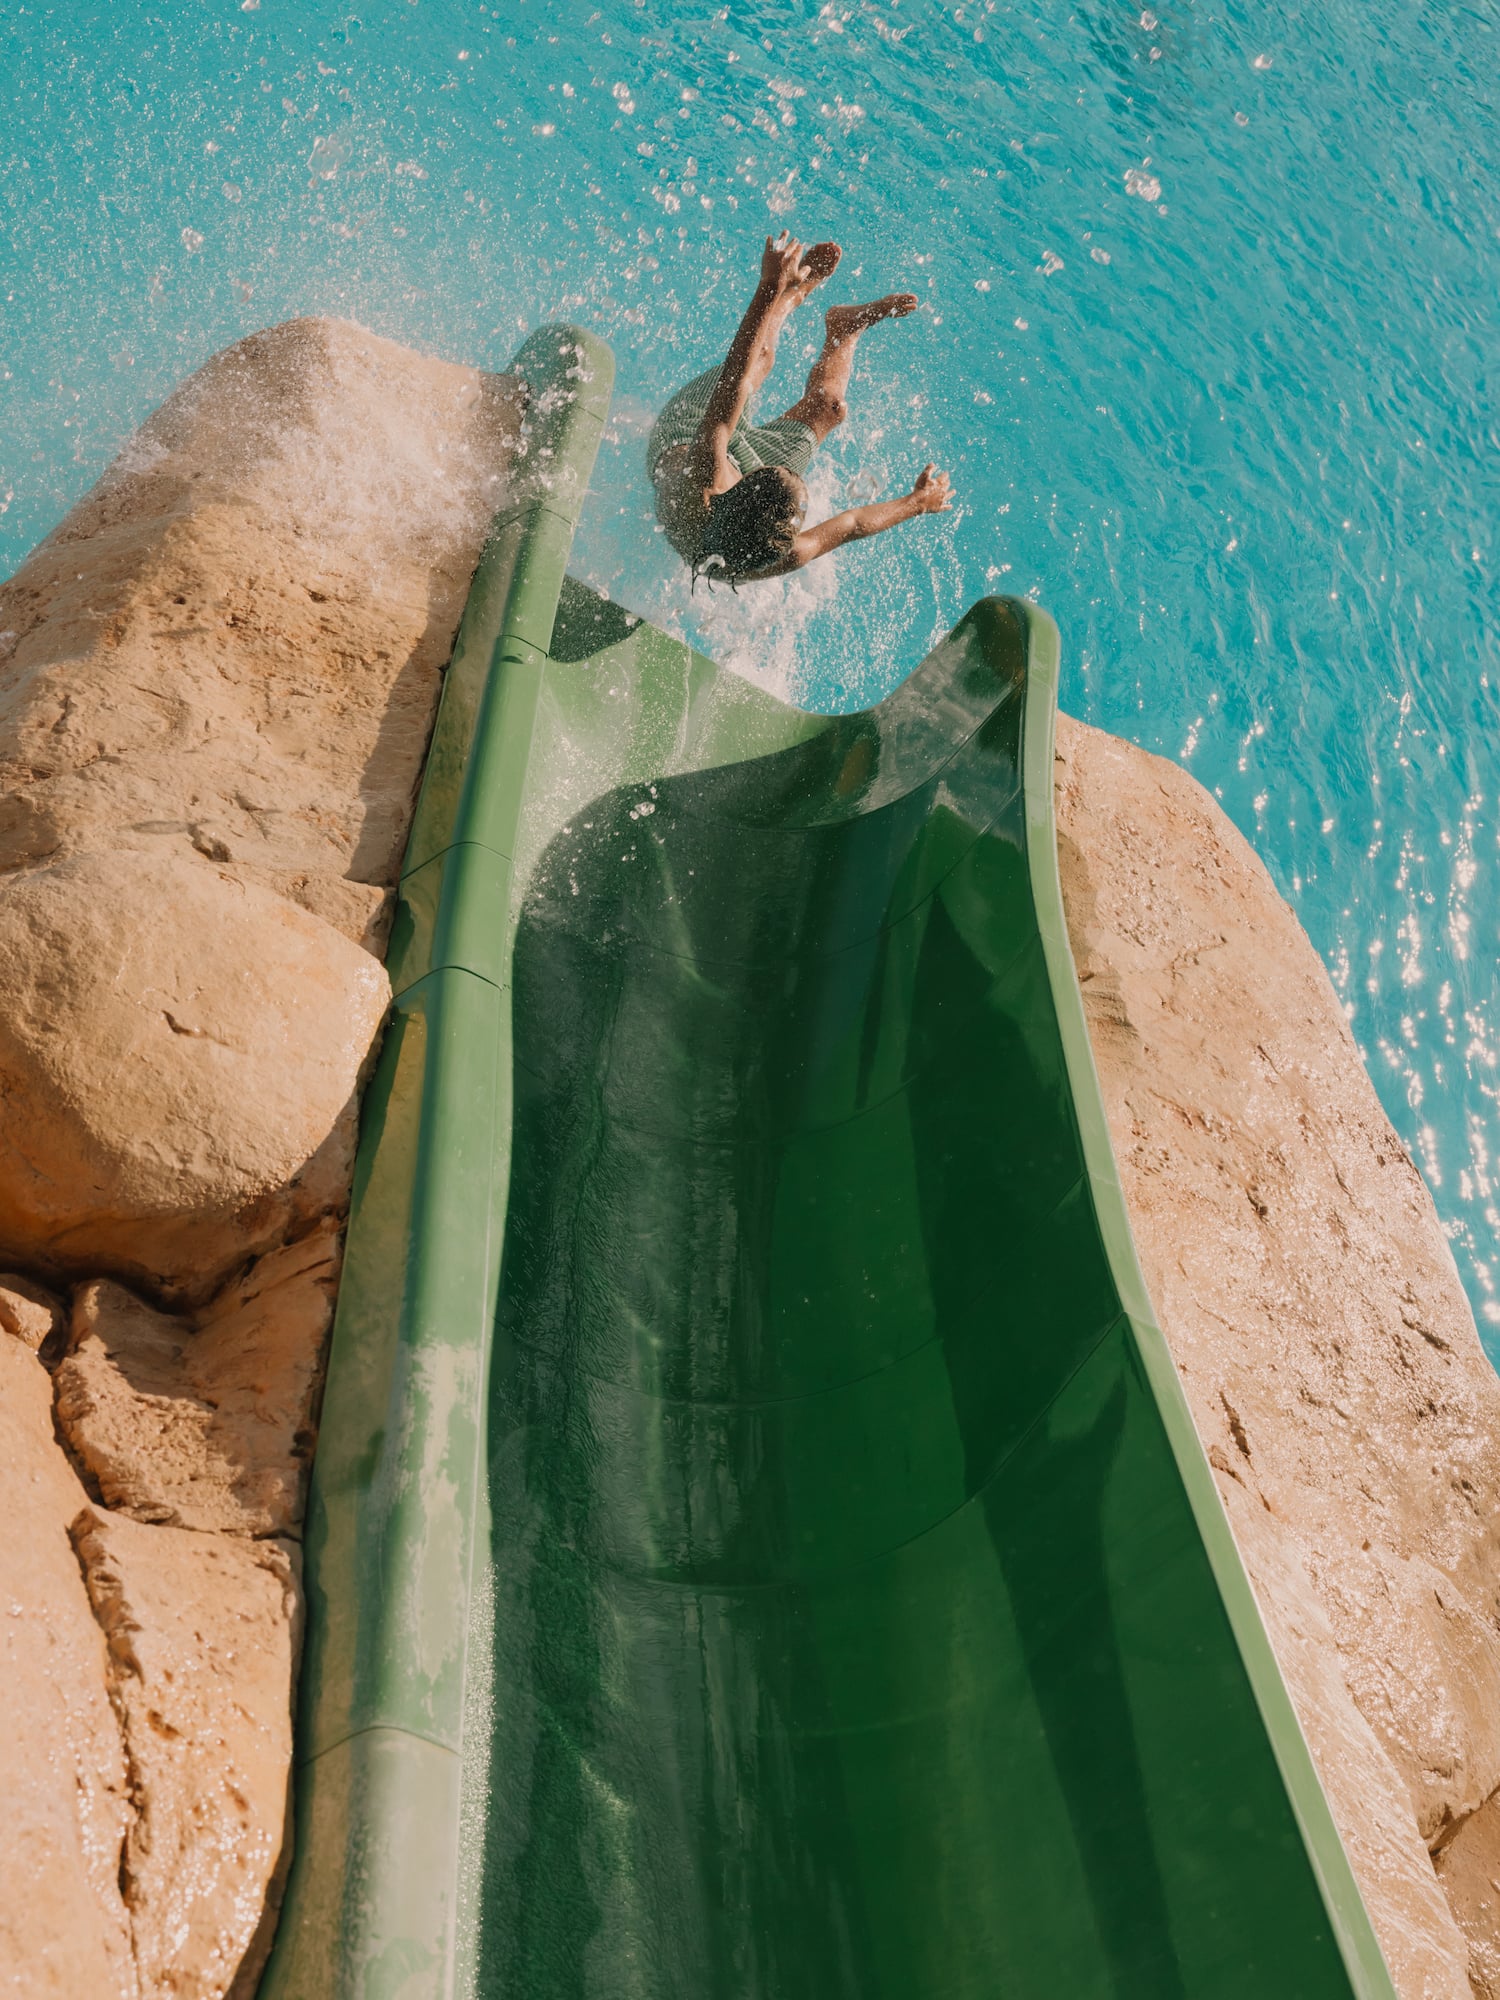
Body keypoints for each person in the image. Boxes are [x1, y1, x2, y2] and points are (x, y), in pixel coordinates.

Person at [648, 233, 955, 589]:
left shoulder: (703, 480)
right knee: (831, 409)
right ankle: (845, 330)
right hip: (742, 490)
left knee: (757, 360)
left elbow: (731, 384)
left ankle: (793, 292)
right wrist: (918, 502)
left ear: (740, 486)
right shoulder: (787, 551)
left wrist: (770, 286)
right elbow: (852, 524)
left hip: (685, 434)